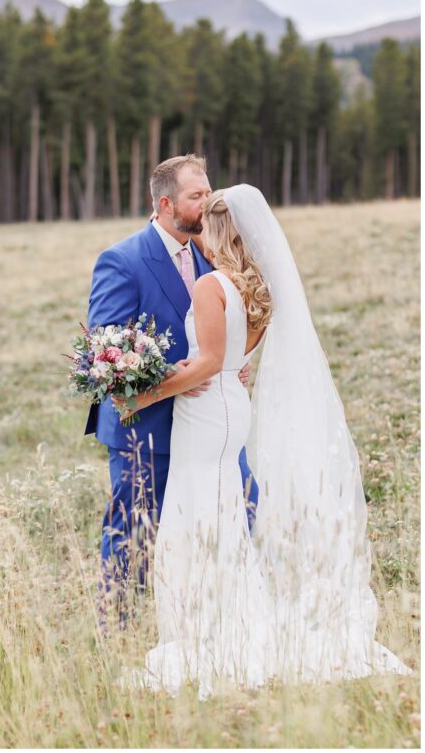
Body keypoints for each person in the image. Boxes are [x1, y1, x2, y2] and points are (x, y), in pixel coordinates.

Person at [124, 184, 412, 697]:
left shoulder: (212, 286)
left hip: (206, 412)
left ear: (218, 231)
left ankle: (217, 628)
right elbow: (233, 359)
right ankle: (224, 612)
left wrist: (142, 396)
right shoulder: (254, 288)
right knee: (223, 508)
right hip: (232, 408)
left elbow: (208, 362)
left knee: (200, 510)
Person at [85, 155, 257, 623]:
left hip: (210, 425)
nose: (208, 201)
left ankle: (228, 620)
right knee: (135, 532)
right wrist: (178, 374)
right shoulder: (122, 261)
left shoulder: (213, 252)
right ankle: (116, 630)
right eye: (196, 195)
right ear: (165, 203)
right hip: (147, 427)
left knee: (244, 507)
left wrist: (230, 364)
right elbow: (106, 350)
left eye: (208, 191)